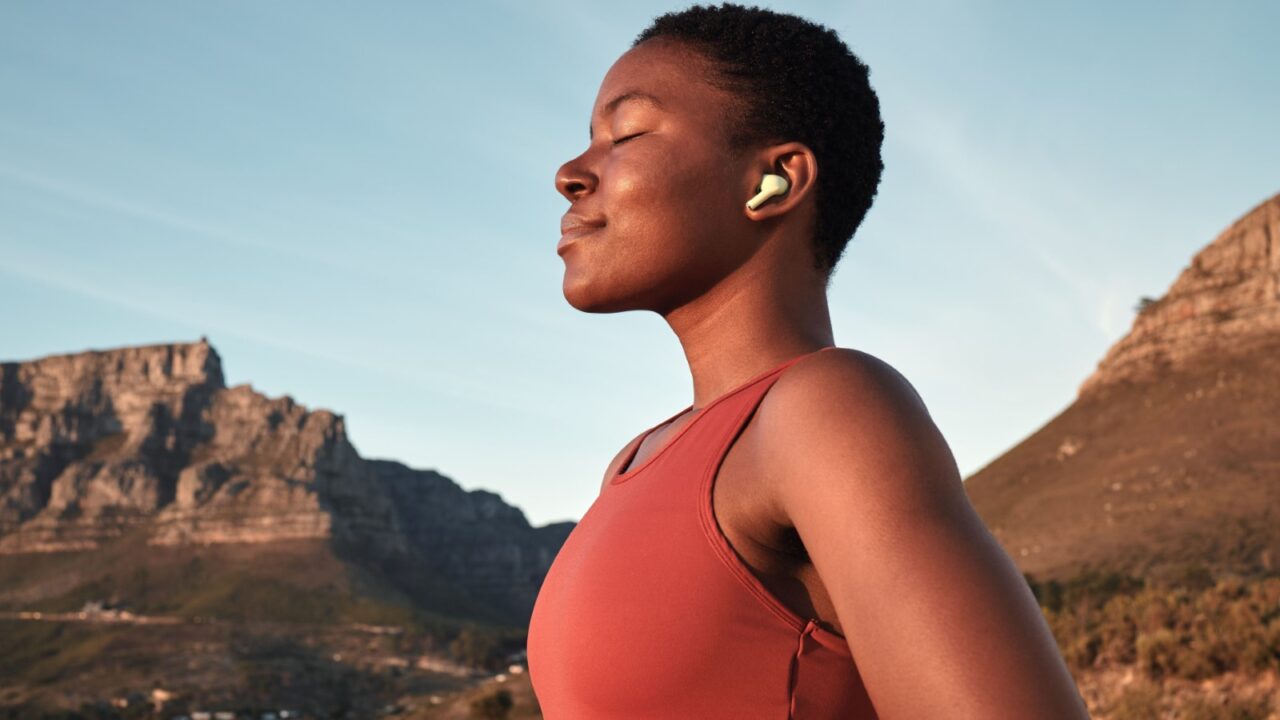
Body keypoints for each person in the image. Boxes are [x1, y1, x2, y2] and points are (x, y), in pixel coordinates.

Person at [528, 3, 1091, 718]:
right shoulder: (632, 463)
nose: (570, 173)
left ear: (776, 182)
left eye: (626, 133)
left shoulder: (825, 410)